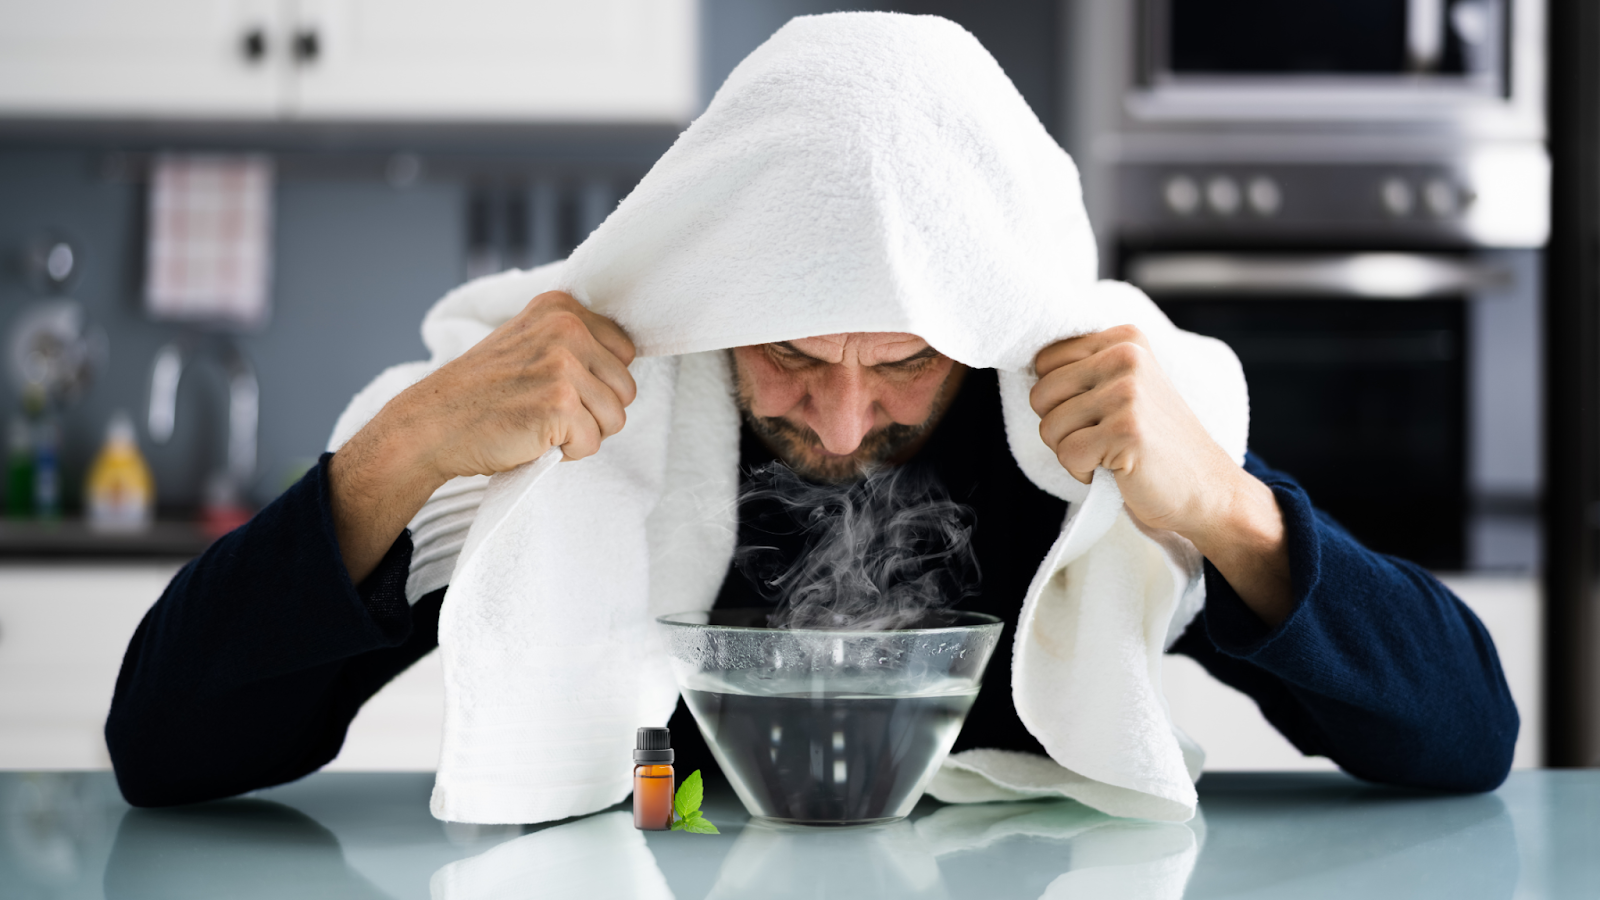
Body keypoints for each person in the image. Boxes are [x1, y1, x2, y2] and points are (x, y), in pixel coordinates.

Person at [105, 290, 1519, 808]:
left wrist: (1224, 504)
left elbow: (1467, 730)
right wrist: (404, 446)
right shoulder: (612, 428)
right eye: (788, 356)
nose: (843, 421)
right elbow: (166, 745)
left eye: (902, 363)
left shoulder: (1063, 429)